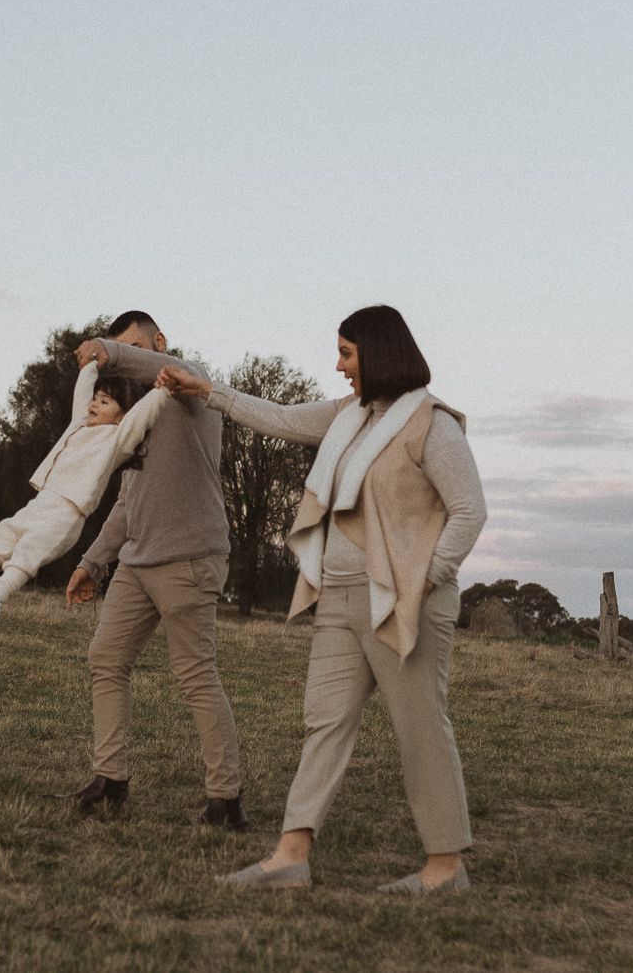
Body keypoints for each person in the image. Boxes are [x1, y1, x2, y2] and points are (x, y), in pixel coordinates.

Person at [158, 305, 486, 893]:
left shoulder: (432, 425)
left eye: (346, 354)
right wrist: (207, 392)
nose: (339, 367)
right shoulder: (346, 417)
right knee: (324, 723)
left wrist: (426, 578)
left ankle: (446, 868)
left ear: (378, 355)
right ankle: (291, 856)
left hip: (404, 603)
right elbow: (279, 418)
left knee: (420, 730)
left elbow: (469, 511)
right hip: (337, 598)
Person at [56, 312, 246, 829]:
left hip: (190, 559)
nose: (128, 364)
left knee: (195, 675)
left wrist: (107, 351)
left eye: (136, 349)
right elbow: (127, 499)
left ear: (159, 343)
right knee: (105, 659)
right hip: (137, 563)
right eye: (123, 354)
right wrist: (93, 561)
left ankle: (225, 800)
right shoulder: (139, 413)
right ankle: (110, 780)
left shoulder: (192, 386)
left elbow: (167, 368)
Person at [0, 364, 165, 620]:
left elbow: (142, 415)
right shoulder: (80, 424)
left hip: (68, 511)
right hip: (44, 500)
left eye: (104, 401)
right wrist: (90, 364)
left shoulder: (118, 438)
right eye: (96, 398)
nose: (94, 403)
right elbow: (82, 393)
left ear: (122, 416)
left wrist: (162, 390)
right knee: (5, 535)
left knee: (30, 550)